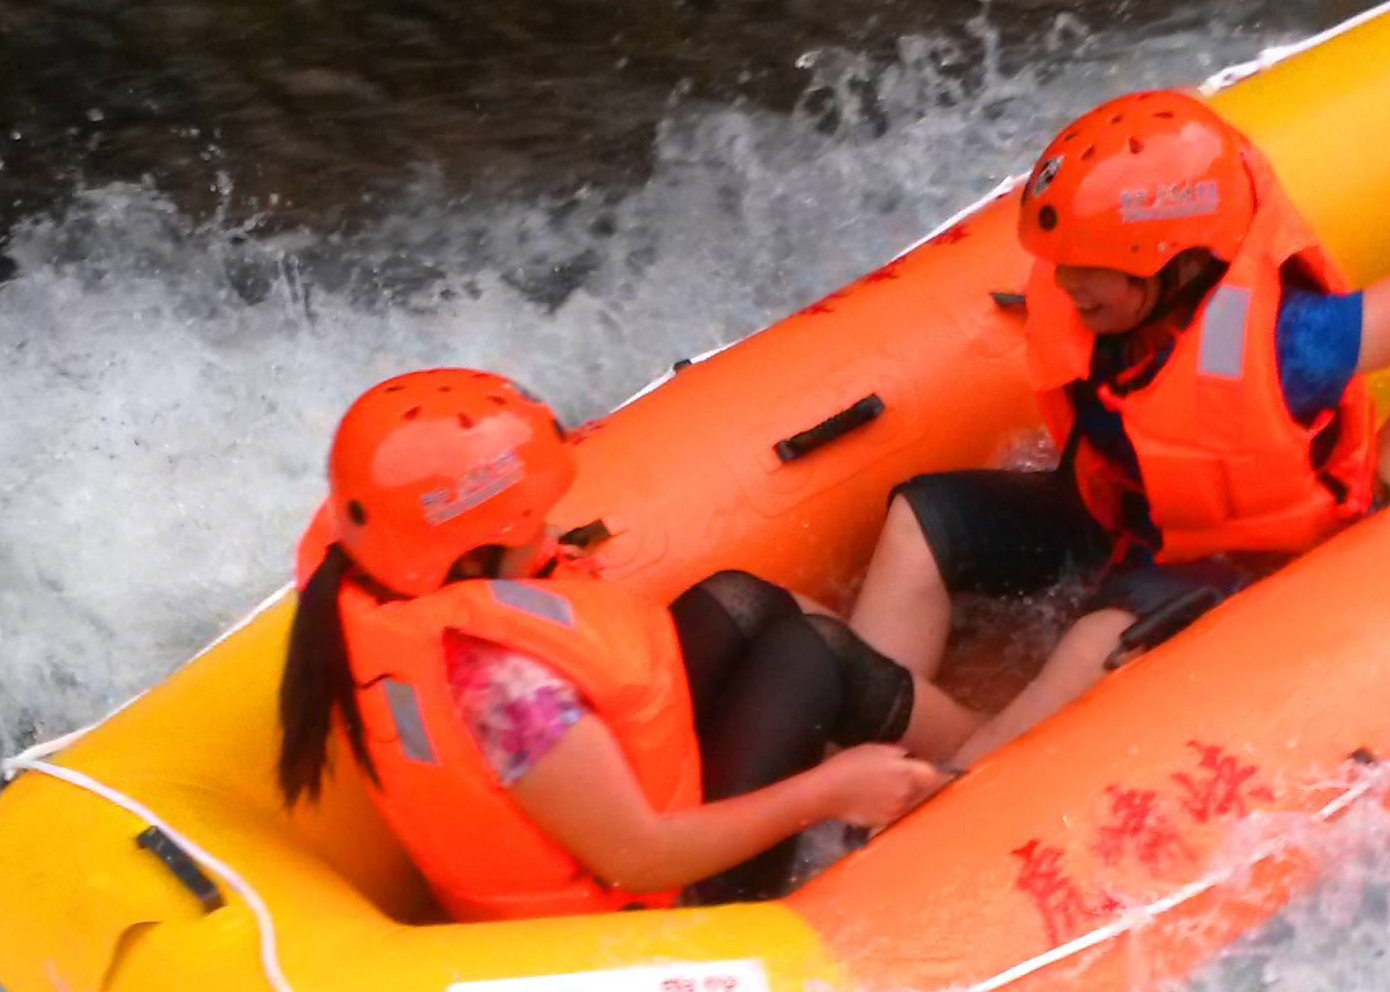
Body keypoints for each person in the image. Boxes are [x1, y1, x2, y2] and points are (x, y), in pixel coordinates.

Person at [846, 89, 1390, 768]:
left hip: (1231, 555)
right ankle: (861, 750)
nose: (1067, 286)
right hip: (1127, 513)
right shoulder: (1102, 314)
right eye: (1065, 265)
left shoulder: (1286, 344)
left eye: (1094, 270)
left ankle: (938, 797)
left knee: (1089, 648)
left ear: (1178, 266)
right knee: (923, 515)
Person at [277, 369, 949, 920]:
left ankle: (961, 742)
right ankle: (975, 769)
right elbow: (640, 858)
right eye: (531, 527)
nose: (549, 538)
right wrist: (827, 792)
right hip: (645, 909)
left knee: (743, 600)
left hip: (603, 826)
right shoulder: (503, 686)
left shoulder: (378, 573)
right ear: (470, 554)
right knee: (810, 658)